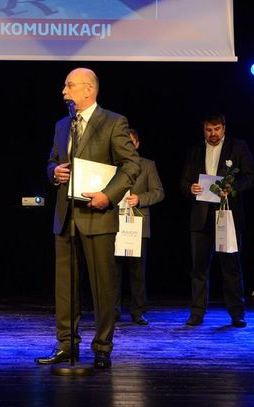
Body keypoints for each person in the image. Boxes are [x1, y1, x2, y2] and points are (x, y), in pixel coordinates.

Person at [35, 67, 140, 369]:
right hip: (65, 215)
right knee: (65, 286)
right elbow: (52, 161)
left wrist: (109, 194)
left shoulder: (113, 122)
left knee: (102, 285)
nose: (64, 92)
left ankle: (102, 347)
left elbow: (131, 165)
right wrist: (54, 172)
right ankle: (66, 344)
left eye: (69, 86)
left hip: (98, 213)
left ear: (88, 90)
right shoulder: (62, 125)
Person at [180, 112, 254, 328]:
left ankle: (237, 313)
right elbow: (184, 182)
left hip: (227, 215)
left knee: (231, 267)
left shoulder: (238, 147)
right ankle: (197, 313)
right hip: (201, 217)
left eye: (216, 129)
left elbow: (252, 177)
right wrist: (190, 188)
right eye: (208, 129)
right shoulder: (195, 151)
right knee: (199, 268)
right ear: (203, 129)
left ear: (224, 128)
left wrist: (232, 188)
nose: (212, 133)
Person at [113, 129, 164, 325]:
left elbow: (158, 192)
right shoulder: (111, 164)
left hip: (137, 224)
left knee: (137, 271)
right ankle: (112, 311)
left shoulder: (148, 165)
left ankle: (138, 311)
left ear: (137, 144)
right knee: (113, 270)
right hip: (114, 223)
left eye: (131, 142)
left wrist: (140, 199)